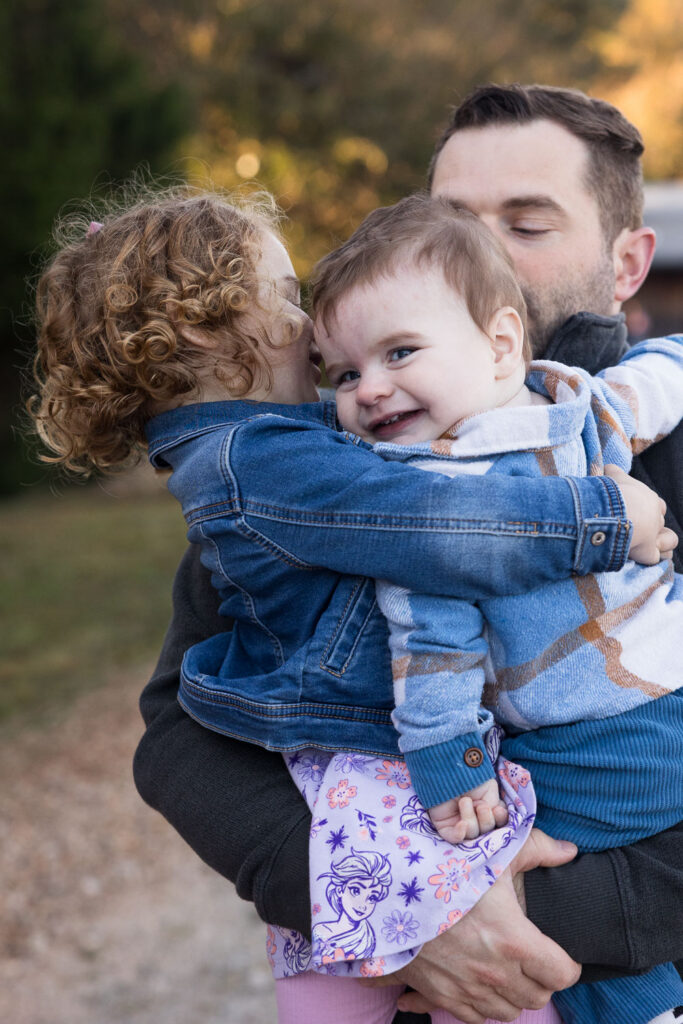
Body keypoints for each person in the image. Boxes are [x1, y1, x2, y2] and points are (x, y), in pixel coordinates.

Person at [29, 185, 654, 1023]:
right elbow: (423, 522)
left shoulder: (255, 452)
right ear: (205, 328)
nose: (315, 340)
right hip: (374, 753)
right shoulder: (259, 460)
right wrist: (601, 518)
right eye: (286, 298)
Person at [310, 192, 683, 1024]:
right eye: (344, 374)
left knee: (494, 861)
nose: (369, 390)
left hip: (599, 737)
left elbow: (433, 654)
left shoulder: (422, 508)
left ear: (500, 342)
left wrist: (450, 772)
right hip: (665, 689)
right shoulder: (580, 405)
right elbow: (661, 380)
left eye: (399, 353)